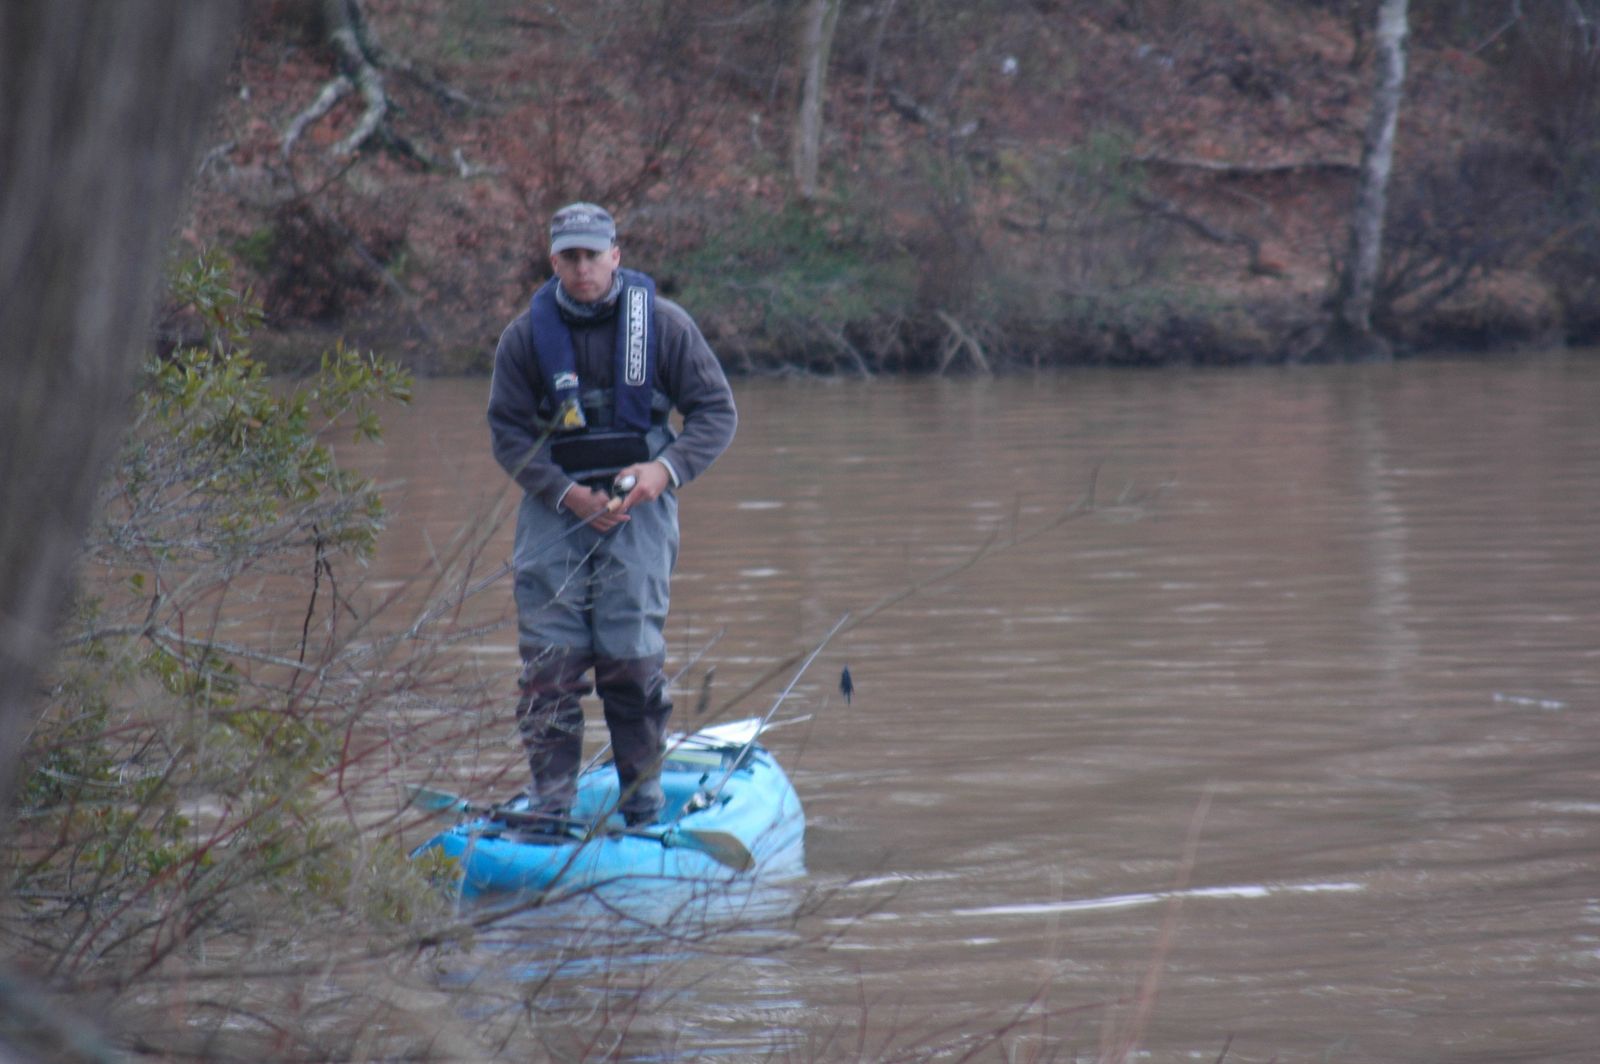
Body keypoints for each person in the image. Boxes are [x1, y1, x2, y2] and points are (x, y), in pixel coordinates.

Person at [486, 202, 736, 827]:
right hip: (555, 506)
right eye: (569, 257)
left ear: (615, 257)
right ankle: (551, 807)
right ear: (554, 263)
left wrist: (664, 472)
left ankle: (644, 808)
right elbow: (509, 435)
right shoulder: (524, 338)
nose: (582, 268)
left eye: (593, 255)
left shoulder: (667, 326)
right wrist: (565, 493)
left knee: (630, 659)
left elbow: (716, 413)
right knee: (550, 664)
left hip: (640, 506)